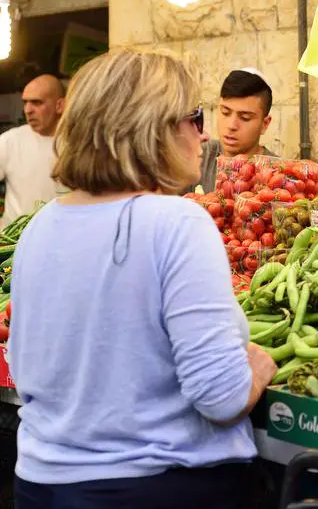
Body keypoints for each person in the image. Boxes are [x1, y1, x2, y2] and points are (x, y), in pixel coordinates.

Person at [8, 48, 278, 508]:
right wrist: (257, 366)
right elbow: (220, 396)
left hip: (41, 483)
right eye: (195, 117)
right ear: (154, 128)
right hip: (154, 487)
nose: (207, 132)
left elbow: (25, 370)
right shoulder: (176, 223)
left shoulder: (40, 226)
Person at [191, 68, 276, 193]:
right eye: (225, 112)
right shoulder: (198, 156)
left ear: (265, 124)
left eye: (245, 118)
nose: (231, 125)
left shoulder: (277, 173)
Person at [0, 74, 65, 228]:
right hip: (16, 243)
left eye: (37, 102)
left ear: (60, 105)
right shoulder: (10, 141)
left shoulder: (79, 144)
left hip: (63, 238)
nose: (28, 110)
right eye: (25, 102)